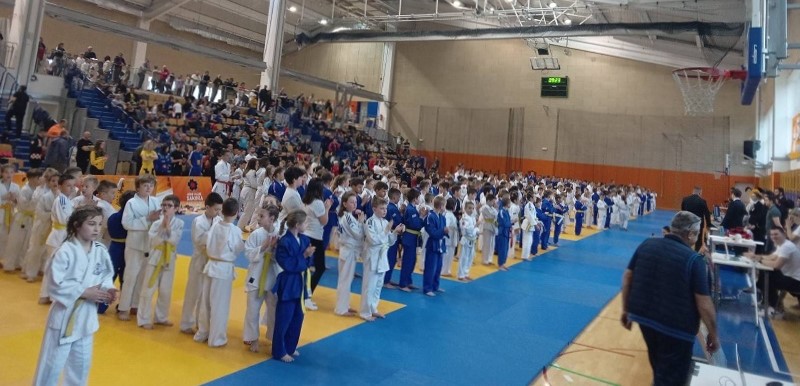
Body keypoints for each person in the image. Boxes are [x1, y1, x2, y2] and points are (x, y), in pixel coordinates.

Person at [621, 211, 718, 385]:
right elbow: (704, 303)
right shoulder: (694, 260)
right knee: (673, 376)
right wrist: (713, 334)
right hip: (676, 328)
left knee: (659, 364)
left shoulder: (647, 245)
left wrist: (626, 309)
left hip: (644, 319)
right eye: (696, 234)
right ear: (690, 234)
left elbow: (628, 277)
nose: (696, 239)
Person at [32, 207, 117, 386]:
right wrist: (84, 292)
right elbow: (54, 283)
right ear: (77, 225)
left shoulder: (100, 250)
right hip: (64, 316)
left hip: (87, 319)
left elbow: (105, 275)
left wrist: (108, 290)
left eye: (99, 224)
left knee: (81, 365)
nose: (96, 229)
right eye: (91, 224)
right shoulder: (65, 251)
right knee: (52, 364)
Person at [194, 198, 244, 347]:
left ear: (222, 212)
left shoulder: (215, 226)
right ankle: (216, 338)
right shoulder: (235, 230)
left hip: (211, 265)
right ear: (236, 214)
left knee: (206, 303)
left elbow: (207, 242)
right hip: (223, 269)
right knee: (219, 305)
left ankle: (203, 333)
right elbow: (238, 248)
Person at [118, 174, 161, 321]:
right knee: (130, 277)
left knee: (143, 277)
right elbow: (127, 223)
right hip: (135, 244)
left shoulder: (156, 201)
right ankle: (123, 307)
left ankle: (135, 305)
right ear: (138, 187)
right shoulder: (131, 203)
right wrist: (147, 219)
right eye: (145, 185)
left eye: (151, 185)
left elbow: (160, 221)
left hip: (149, 244)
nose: (149, 188)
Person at [272, 210, 314, 362]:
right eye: (305, 223)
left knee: (298, 316)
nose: (306, 225)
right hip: (288, 282)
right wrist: (304, 256)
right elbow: (287, 264)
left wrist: (308, 258)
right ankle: (279, 351)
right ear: (297, 225)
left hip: (300, 281)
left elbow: (309, 261)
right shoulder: (284, 242)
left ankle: (290, 347)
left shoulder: (304, 239)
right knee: (284, 318)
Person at [136, 195, 183, 329]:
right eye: (164, 205)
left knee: (165, 290)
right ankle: (143, 319)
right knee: (148, 289)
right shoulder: (156, 223)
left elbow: (175, 240)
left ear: (176, 208)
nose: (165, 208)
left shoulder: (180, 224)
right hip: (155, 257)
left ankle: (161, 317)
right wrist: (164, 228)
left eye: (169, 206)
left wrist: (167, 228)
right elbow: (152, 240)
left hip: (169, 258)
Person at [179, 192, 223, 334]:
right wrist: (214, 237)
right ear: (207, 207)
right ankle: (186, 323)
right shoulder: (198, 221)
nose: (218, 212)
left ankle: (201, 323)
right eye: (216, 209)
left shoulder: (218, 221)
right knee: (193, 292)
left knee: (206, 295)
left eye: (219, 210)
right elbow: (199, 240)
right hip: (199, 258)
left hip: (212, 260)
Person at [243, 204, 280, 352]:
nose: (258, 219)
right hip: (256, 275)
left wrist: (275, 252)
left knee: (273, 309)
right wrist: (263, 248)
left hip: (272, 276)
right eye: (258, 215)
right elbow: (247, 253)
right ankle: (252, 338)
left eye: (262, 216)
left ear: (272, 219)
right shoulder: (256, 234)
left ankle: (272, 336)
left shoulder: (279, 235)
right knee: (252, 309)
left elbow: (284, 257)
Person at [360, 197, 402, 320]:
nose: (384, 211)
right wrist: (387, 231)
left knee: (378, 286)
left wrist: (394, 232)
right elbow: (373, 240)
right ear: (374, 209)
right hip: (372, 257)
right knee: (369, 286)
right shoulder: (370, 222)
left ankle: (373, 308)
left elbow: (389, 241)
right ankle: (365, 312)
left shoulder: (385, 222)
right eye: (381, 208)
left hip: (382, 257)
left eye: (385, 209)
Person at [744, 227, 800, 319]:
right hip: (791, 277)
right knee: (766, 272)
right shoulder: (782, 245)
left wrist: (760, 260)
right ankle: (766, 302)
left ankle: (776, 308)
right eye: (772, 234)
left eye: (776, 234)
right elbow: (771, 257)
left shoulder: (787, 246)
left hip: (796, 282)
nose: (773, 236)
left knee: (769, 275)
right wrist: (755, 256)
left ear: (784, 234)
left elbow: (776, 265)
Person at [39, 174, 77, 305]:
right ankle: (52, 297)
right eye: (68, 185)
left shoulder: (67, 200)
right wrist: (79, 218)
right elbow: (64, 220)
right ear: (60, 186)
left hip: (62, 236)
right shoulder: (61, 200)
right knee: (55, 268)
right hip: (58, 237)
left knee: (55, 268)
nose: (71, 188)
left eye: (73, 185)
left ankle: (47, 295)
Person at [21, 170, 59, 282]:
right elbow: (39, 212)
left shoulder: (61, 196)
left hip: (55, 226)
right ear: (48, 181)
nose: (55, 183)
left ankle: (43, 269)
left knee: (49, 251)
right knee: (35, 249)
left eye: (58, 181)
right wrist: (52, 214)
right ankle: (30, 272)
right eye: (53, 180)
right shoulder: (42, 193)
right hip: (41, 224)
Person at [2, 168, 42, 272]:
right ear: (33, 179)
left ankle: (20, 263)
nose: (41, 180)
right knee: (15, 242)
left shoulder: (37, 190)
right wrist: (35, 202)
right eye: (39, 178)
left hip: (30, 218)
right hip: (22, 218)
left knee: (26, 243)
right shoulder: (25, 190)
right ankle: (9, 264)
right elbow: (25, 206)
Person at [302, 178, 332, 310]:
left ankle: (305, 295)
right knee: (320, 268)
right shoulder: (318, 203)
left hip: (306, 235)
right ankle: (307, 296)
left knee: (307, 268)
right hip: (315, 237)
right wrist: (327, 208)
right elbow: (324, 221)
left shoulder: (306, 201)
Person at [334, 192, 364, 316]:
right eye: (352, 202)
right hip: (348, 251)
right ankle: (341, 309)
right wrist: (361, 222)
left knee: (347, 279)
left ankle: (345, 305)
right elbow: (357, 233)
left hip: (349, 251)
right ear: (345, 204)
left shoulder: (348, 216)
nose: (354, 204)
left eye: (356, 202)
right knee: (345, 280)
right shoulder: (346, 217)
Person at [399, 189, 425, 292]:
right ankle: (403, 284)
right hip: (409, 237)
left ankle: (408, 281)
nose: (419, 199)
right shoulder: (410, 210)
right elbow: (416, 225)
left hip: (413, 238)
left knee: (412, 261)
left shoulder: (413, 209)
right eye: (418, 198)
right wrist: (422, 217)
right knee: (408, 262)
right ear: (415, 199)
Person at [107, 191, 134, 286]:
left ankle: (102, 300)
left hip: (113, 247)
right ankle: (124, 300)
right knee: (125, 277)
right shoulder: (130, 219)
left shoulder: (113, 217)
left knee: (110, 274)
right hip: (127, 248)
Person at [423, 196, 447, 297]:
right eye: (444, 205)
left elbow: (444, 231)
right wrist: (443, 231)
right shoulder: (430, 216)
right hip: (432, 244)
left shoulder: (442, 217)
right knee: (430, 267)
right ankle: (427, 288)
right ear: (441, 206)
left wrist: (445, 232)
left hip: (441, 244)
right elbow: (432, 232)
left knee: (438, 267)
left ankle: (435, 286)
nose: (445, 207)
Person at [383, 187, 404, 288]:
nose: (399, 199)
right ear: (394, 197)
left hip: (394, 235)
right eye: (399, 197)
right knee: (390, 259)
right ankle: (385, 281)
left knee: (392, 259)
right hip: (391, 234)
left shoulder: (393, 207)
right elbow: (395, 221)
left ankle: (387, 279)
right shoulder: (391, 208)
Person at [680, 186, 712, 251]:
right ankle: (697, 253)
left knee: (687, 238)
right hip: (698, 224)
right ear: (700, 193)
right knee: (699, 240)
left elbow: (682, 211)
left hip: (688, 223)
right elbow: (707, 214)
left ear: (692, 192)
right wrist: (709, 224)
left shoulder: (685, 199)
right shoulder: (702, 201)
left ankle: (685, 251)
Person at [458, 201, 478, 281]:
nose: (471, 210)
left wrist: (477, 230)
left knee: (470, 257)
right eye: (469, 208)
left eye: (472, 208)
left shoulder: (472, 218)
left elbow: (474, 230)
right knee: (464, 257)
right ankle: (461, 275)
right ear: (465, 208)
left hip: (472, 240)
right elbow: (468, 230)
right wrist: (476, 227)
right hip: (466, 240)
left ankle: (466, 273)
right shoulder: (464, 218)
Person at [441, 198, 459, 277]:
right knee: (447, 255)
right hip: (448, 238)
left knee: (449, 255)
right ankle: (444, 271)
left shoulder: (449, 214)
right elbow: (446, 225)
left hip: (450, 237)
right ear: (453, 206)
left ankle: (446, 270)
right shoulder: (448, 215)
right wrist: (450, 229)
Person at [480, 194, 498, 265]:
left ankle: (490, 259)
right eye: (493, 202)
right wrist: (495, 215)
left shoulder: (492, 208)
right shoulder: (485, 207)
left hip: (493, 226)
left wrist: (495, 213)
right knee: (487, 244)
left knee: (492, 244)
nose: (494, 203)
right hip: (487, 226)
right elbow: (492, 216)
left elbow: (496, 215)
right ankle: (485, 260)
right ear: (488, 201)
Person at [495, 197, 512, 271]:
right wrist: (511, 223)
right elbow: (504, 223)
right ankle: (500, 264)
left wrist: (511, 224)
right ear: (507, 204)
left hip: (506, 231)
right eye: (509, 203)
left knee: (505, 248)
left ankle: (503, 263)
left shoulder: (506, 211)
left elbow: (508, 222)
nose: (510, 204)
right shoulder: (501, 211)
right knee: (502, 248)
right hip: (502, 232)